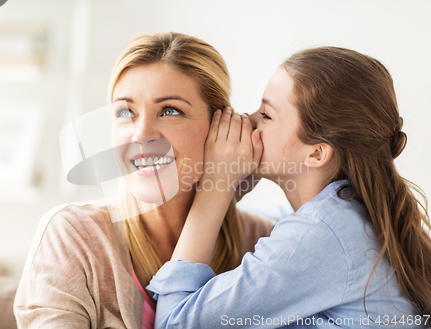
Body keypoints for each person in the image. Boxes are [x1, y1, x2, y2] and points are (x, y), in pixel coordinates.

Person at [147, 47, 431, 328]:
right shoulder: (347, 217)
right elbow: (274, 218)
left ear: (317, 154)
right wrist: (230, 189)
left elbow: (176, 324)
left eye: (267, 115)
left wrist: (215, 189)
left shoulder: (322, 232)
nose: (247, 119)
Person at [13, 32, 275, 329]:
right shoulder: (74, 236)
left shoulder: (264, 242)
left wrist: (220, 189)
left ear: (221, 126)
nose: (141, 134)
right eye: (126, 112)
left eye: (170, 111)